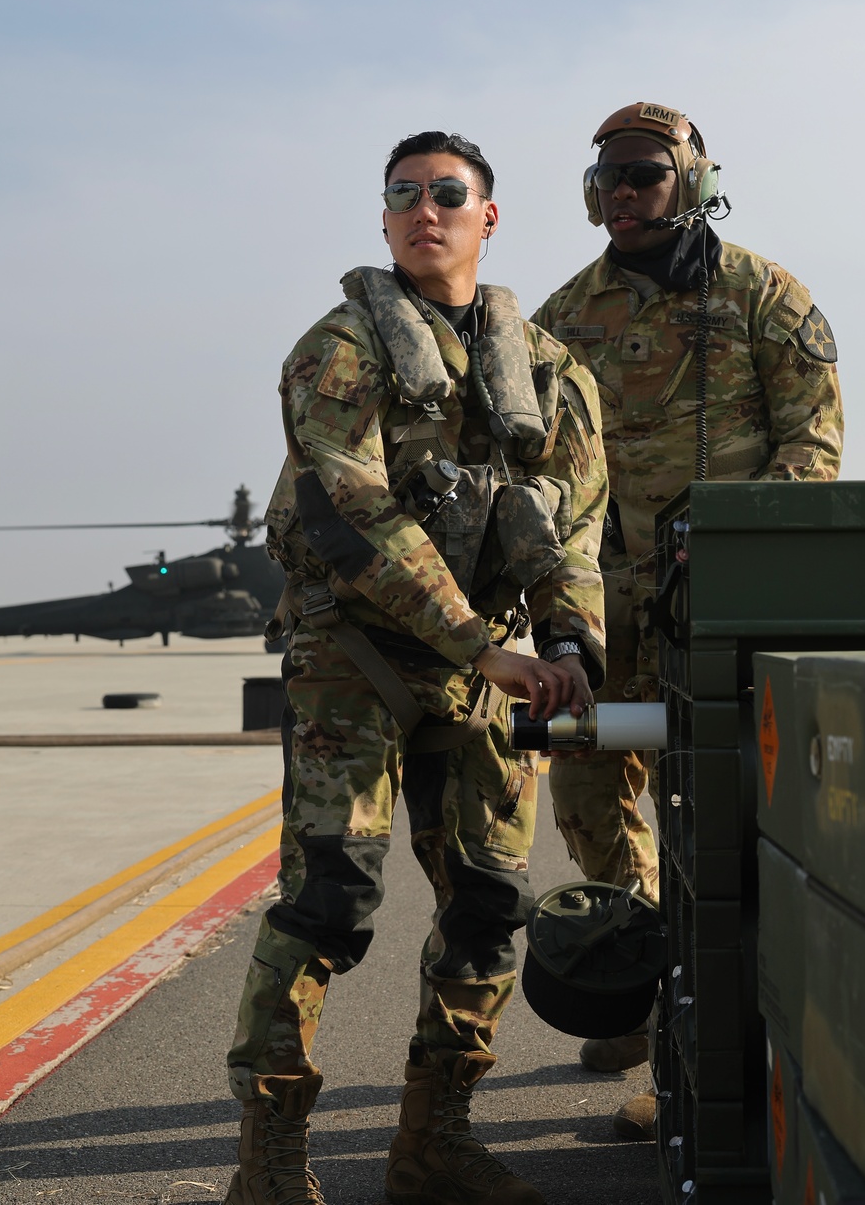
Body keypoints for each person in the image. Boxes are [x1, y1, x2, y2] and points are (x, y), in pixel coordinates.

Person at [223, 130, 607, 1205]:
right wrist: (484, 644)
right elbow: (350, 506)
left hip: (481, 665)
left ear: (489, 216)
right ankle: (268, 1157)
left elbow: (573, 524)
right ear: (385, 221)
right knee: (328, 900)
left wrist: (566, 642)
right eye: (404, 196)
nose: (424, 210)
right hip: (355, 651)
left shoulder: (549, 371)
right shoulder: (339, 348)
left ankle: (432, 1141)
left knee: (490, 900)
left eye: (448, 193)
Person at [533, 101, 843, 1137]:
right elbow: (530, 469)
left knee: (720, 815)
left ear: (694, 182)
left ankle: (710, 1028)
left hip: (725, 605)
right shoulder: (564, 317)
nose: (623, 194)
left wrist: (751, 554)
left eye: (644, 174)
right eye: (608, 180)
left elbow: (812, 443)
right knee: (585, 789)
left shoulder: (761, 294)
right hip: (604, 612)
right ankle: (643, 973)